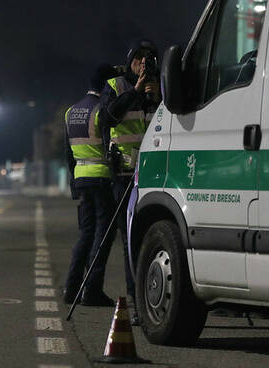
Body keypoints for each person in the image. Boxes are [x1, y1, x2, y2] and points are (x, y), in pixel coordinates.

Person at [99, 39, 161, 323]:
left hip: (156, 172)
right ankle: (137, 303)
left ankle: (154, 298)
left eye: (148, 60)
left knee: (157, 238)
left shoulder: (160, 86)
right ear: (130, 61)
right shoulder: (116, 85)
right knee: (131, 241)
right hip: (125, 174)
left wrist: (159, 97)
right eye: (138, 59)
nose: (142, 65)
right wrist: (136, 92)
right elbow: (108, 118)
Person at [63, 64, 121, 307]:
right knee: (104, 234)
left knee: (86, 233)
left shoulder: (71, 111)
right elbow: (110, 144)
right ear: (106, 85)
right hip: (101, 176)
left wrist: (74, 182)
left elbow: (67, 153)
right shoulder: (101, 110)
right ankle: (93, 290)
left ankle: (71, 287)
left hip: (81, 177)